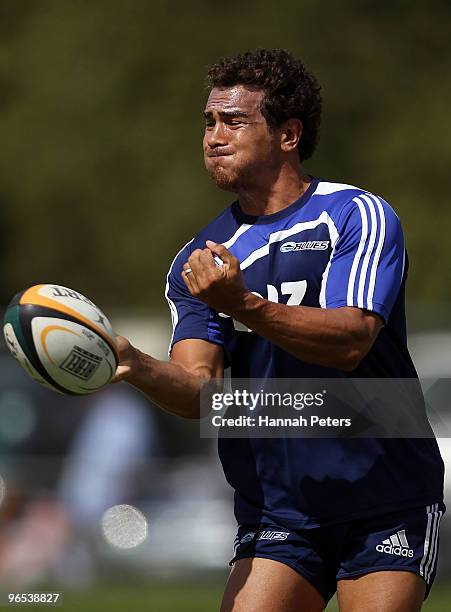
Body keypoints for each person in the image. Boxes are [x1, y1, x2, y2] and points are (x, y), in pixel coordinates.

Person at [113, 49, 445, 612]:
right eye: (209, 122)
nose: (214, 136)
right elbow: (203, 394)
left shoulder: (354, 215)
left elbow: (351, 339)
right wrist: (132, 364)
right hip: (280, 512)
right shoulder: (198, 260)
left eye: (234, 121)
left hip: (387, 497)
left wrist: (241, 304)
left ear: (288, 134)